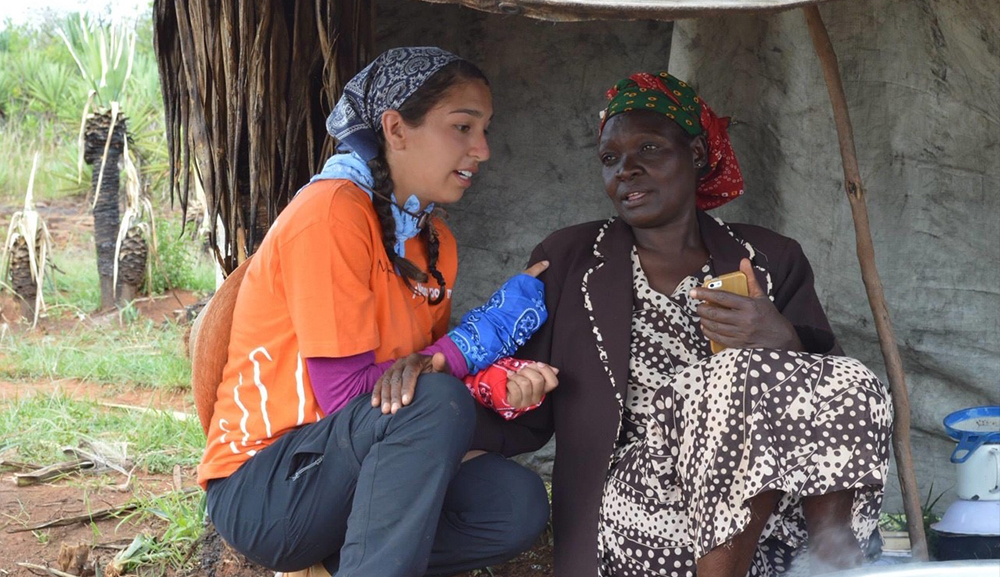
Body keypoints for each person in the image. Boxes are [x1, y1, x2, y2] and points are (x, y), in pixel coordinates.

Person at [471, 71, 893, 577]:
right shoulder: (571, 258)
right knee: (735, 375)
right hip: (639, 504)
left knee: (852, 375)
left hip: (773, 511)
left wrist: (781, 338)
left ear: (695, 153)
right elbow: (521, 401)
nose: (626, 170)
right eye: (610, 158)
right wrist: (458, 409)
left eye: (648, 149)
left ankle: (832, 555)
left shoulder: (769, 257)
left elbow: (835, 400)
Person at [196, 47, 556, 577]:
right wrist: (473, 342)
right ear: (395, 129)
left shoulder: (436, 242)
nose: (482, 149)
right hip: (269, 490)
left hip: (351, 470)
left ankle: (354, 563)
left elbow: (410, 378)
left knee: (513, 504)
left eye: (485, 130)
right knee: (435, 400)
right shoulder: (331, 213)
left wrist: (495, 380)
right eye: (462, 127)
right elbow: (350, 395)